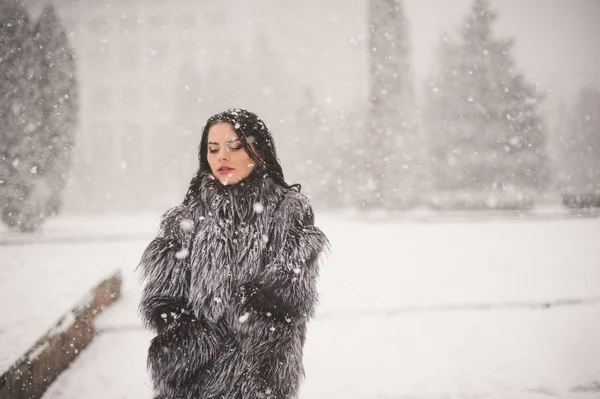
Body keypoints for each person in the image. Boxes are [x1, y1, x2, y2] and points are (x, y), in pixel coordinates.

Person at [137, 108, 330, 399]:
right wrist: (193, 343)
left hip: (260, 376)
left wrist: (244, 334)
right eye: (213, 149)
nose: (221, 157)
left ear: (259, 152)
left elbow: (291, 293)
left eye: (234, 147)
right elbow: (162, 302)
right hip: (190, 380)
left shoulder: (287, 211)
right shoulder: (185, 219)